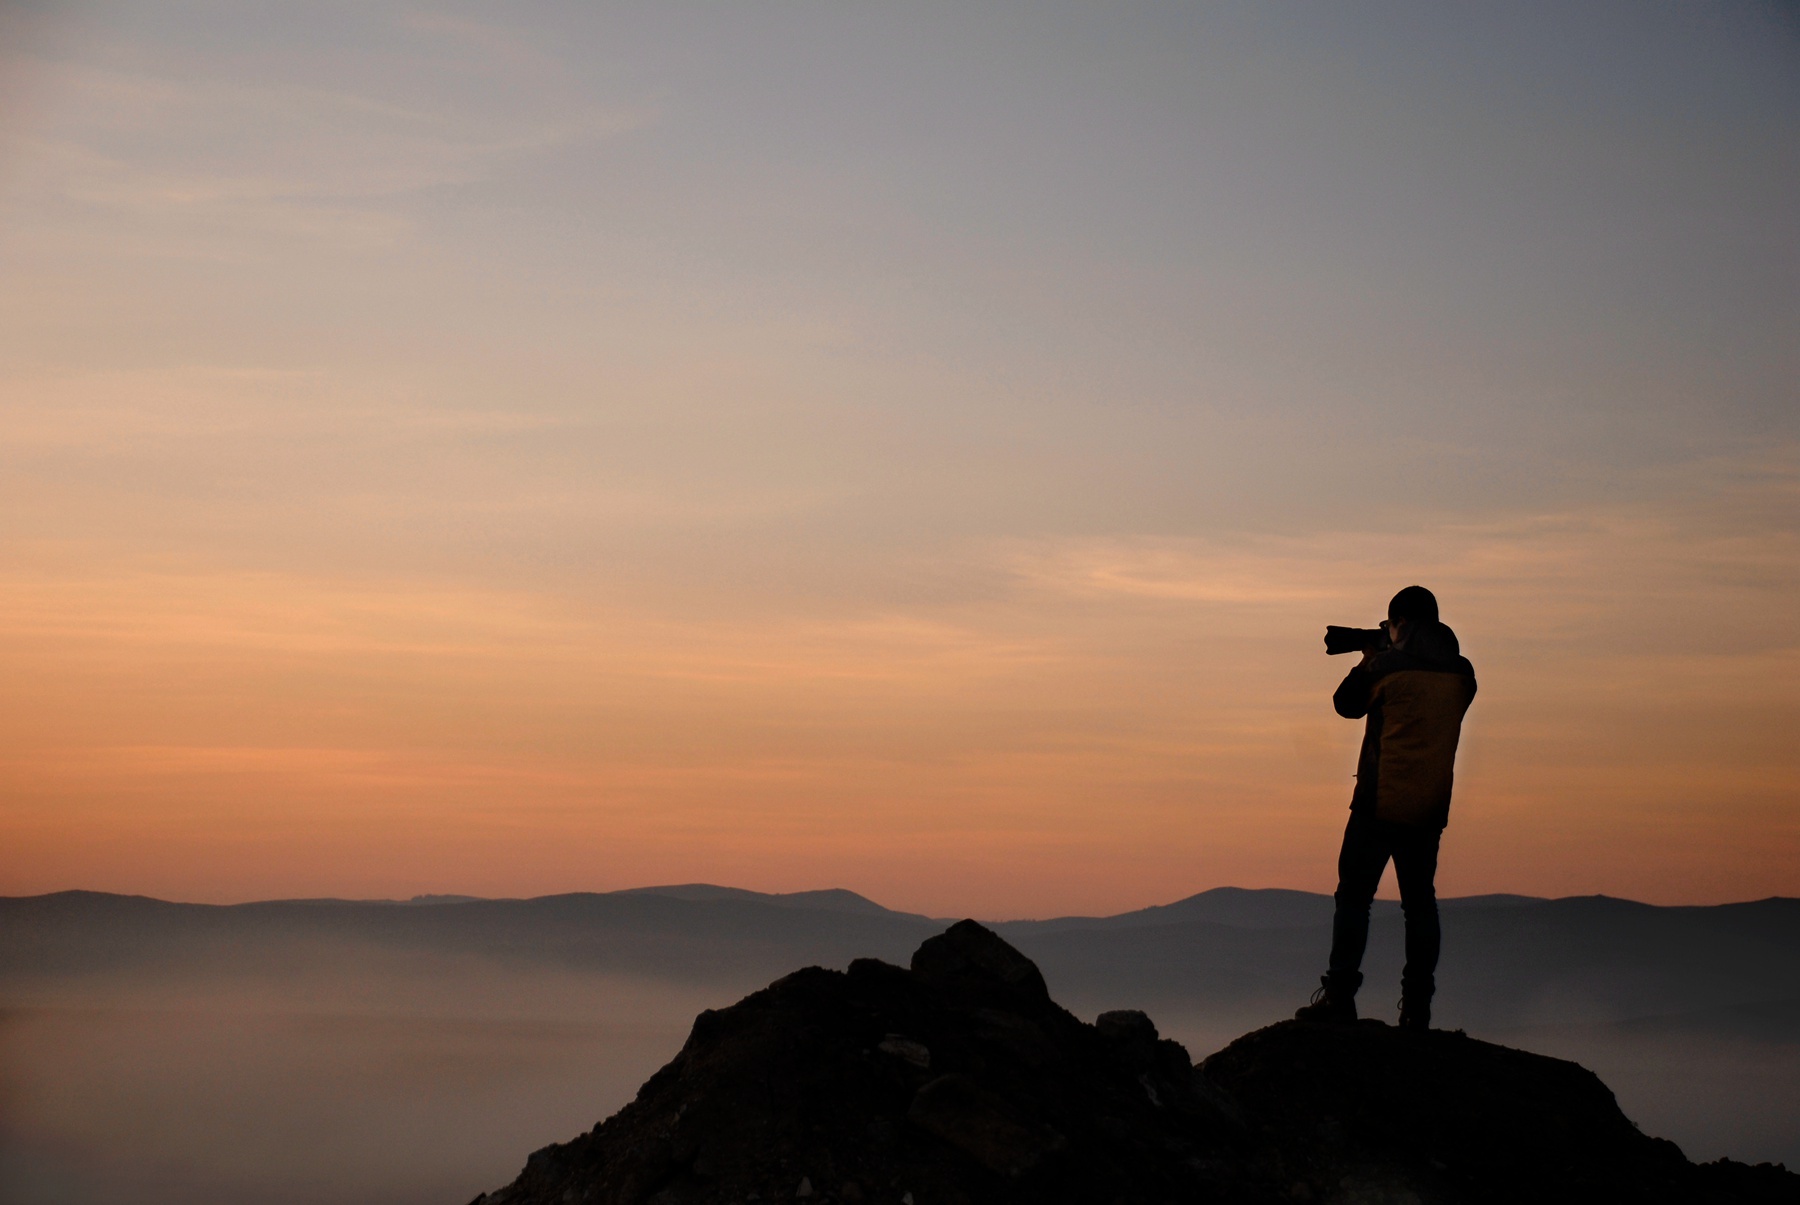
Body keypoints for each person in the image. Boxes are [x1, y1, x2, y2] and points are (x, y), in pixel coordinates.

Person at [1295, 585, 1477, 1030]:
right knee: (1419, 906)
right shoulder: (1462, 674)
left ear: (1398, 624)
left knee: (1354, 898)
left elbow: (1345, 705)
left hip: (1378, 803)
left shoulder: (1385, 667)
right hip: (1429, 808)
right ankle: (1417, 1007)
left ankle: (1339, 996)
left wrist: (1369, 656)